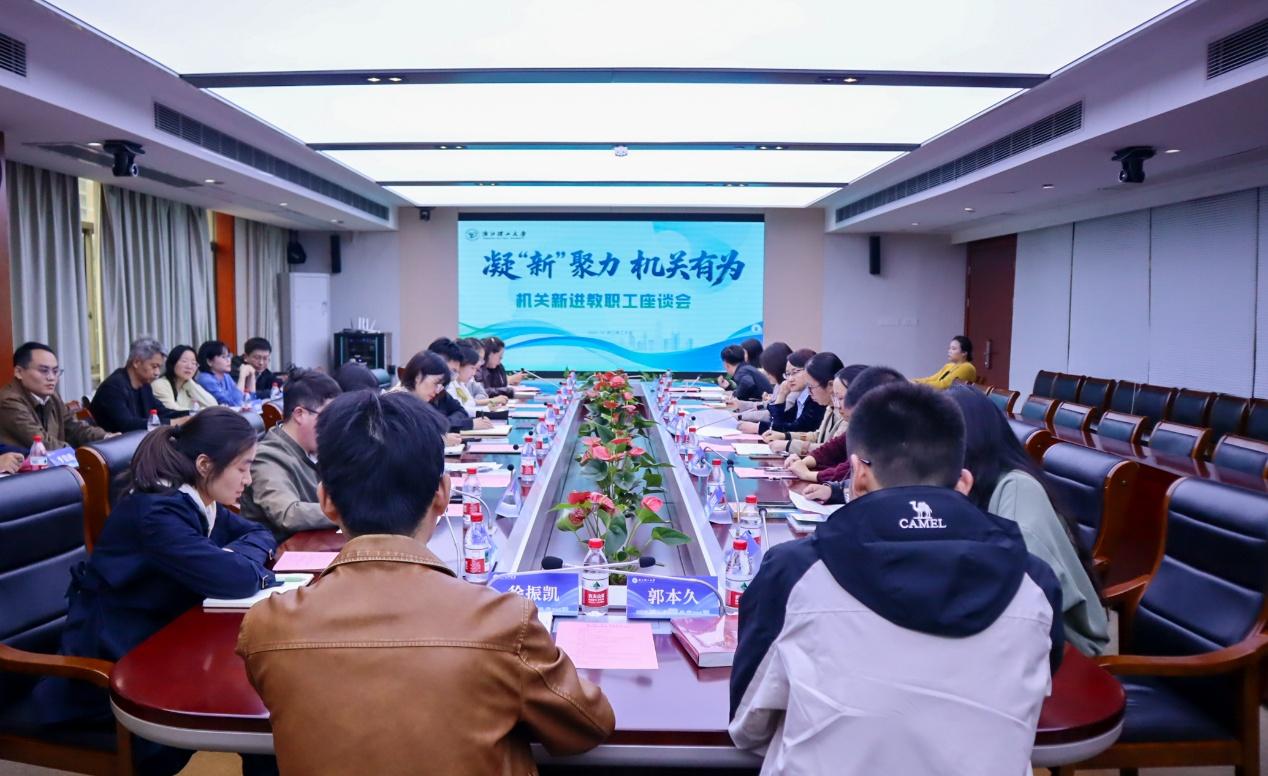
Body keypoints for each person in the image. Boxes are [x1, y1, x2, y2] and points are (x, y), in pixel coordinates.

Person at [237, 391, 615, 774]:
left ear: (326, 501)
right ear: (443, 494)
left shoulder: (267, 625)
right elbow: (588, 725)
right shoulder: (503, 622)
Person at [730, 382, 1064, 775]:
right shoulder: (1036, 582)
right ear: (963, 483)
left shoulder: (793, 573)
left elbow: (748, 727)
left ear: (858, 475)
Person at [36, 407, 275, 774]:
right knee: (264, 705)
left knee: (268, 701)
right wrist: (241, 565)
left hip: (163, 643)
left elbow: (259, 533)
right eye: (242, 468)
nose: (248, 479)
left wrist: (235, 560)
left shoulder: (199, 501)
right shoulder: (159, 513)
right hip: (115, 670)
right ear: (204, 465)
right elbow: (237, 579)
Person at [948, 385, 1110, 656]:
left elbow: (1024, 597)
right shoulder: (971, 485)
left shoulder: (1017, 489)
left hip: (1066, 650)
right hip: (1010, 635)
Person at [240, 370, 343, 542]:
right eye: (328, 418)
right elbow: (288, 514)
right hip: (279, 553)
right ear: (300, 414)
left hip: (314, 544)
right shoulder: (266, 457)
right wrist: (350, 511)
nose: (334, 427)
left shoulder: (315, 447)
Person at [787, 366, 906, 491]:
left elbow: (852, 470)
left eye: (840, 398)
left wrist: (808, 475)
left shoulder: (887, 433)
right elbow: (834, 448)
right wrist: (804, 462)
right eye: (835, 398)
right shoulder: (864, 425)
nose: (837, 405)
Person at [0, 341, 109, 450]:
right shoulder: (8, 401)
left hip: (55, 458)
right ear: (19, 372)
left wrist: (105, 437)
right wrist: (76, 453)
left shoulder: (52, 397)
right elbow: (41, 443)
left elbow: (74, 428)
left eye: (55, 371)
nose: (51, 377)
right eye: (44, 371)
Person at [90, 337, 188, 432]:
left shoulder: (144, 385)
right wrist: (173, 422)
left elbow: (162, 412)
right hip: (116, 441)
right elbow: (127, 425)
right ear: (136, 362)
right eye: (154, 366)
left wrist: (190, 414)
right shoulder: (113, 387)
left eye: (159, 368)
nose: (157, 373)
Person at [773, 363, 865, 456]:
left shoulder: (846, 416)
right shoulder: (830, 408)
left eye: (811, 387)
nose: (809, 393)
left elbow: (832, 451)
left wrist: (789, 445)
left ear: (830, 385)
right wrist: (786, 436)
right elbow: (818, 435)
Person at [737, 349, 828, 439]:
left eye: (795, 372)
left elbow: (798, 429)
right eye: (788, 374)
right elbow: (779, 422)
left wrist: (758, 428)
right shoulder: (801, 397)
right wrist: (782, 395)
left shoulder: (815, 399)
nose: (790, 379)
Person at [399, 350, 470, 443]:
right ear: (418, 376)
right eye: (436, 383)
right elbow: (404, 440)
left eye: (441, 385)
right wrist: (440, 441)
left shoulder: (419, 400)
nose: (437, 391)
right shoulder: (397, 403)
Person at [428, 338, 493, 430]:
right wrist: (468, 424)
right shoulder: (412, 397)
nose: (449, 377)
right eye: (451, 371)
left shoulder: (441, 389)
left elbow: (461, 411)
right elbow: (432, 425)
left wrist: (450, 422)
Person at [153, 345, 218, 412]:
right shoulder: (160, 384)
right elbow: (172, 410)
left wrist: (190, 383)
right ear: (173, 363)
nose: (189, 366)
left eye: (193, 363)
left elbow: (214, 406)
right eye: (184, 361)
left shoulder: (188, 387)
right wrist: (200, 411)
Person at [195, 340, 248, 406]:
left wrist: (252, 377)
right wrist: (242, 376)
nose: (229, 360)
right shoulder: (205, 379)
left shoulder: (226, 376)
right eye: (223, 357)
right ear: (209, 362)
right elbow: (234, 402)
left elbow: (245, 399)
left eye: (228, 356)